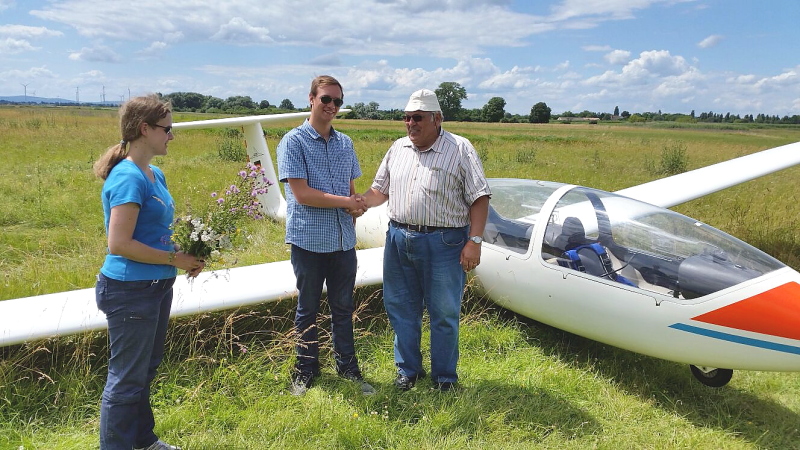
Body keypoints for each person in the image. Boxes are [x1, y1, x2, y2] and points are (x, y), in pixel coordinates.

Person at [93, 94, 205, 450]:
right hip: (129, 289)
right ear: (145, 129)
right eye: (167, 129)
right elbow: (120, 244)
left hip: (155, 285)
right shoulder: (127, 177)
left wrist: (189, 252)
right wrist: (175, 261)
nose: (171, 136)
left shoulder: (154, 173)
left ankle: (142, 440)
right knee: (126, 379)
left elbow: (156, 233)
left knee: (145, 370)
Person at [362, 88, 491, 392]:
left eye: (417, 118)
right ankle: (409, 371)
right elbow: (379, 191)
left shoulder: (460, 149)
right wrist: (357, 203)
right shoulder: (397, 148)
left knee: (444, 313)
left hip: (444, 243)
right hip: (398, 238)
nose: (410, 124)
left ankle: (444, 379)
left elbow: (479, 197)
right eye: (406, 118)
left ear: (437, 118)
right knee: (400, 307)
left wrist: (474, 241)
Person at [276, 75, 374, 396]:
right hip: (309, 242)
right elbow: (302, 194)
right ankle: (305, 371)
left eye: (337, 102)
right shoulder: (293, 141)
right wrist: (348, 202)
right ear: (311, 99)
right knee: (307, 308)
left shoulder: (346, 143)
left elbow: (349, 191)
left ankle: (348, 369)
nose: (332, 106)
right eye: (326, 99)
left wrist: (355, 207)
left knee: (343, 308)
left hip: (344, 242)